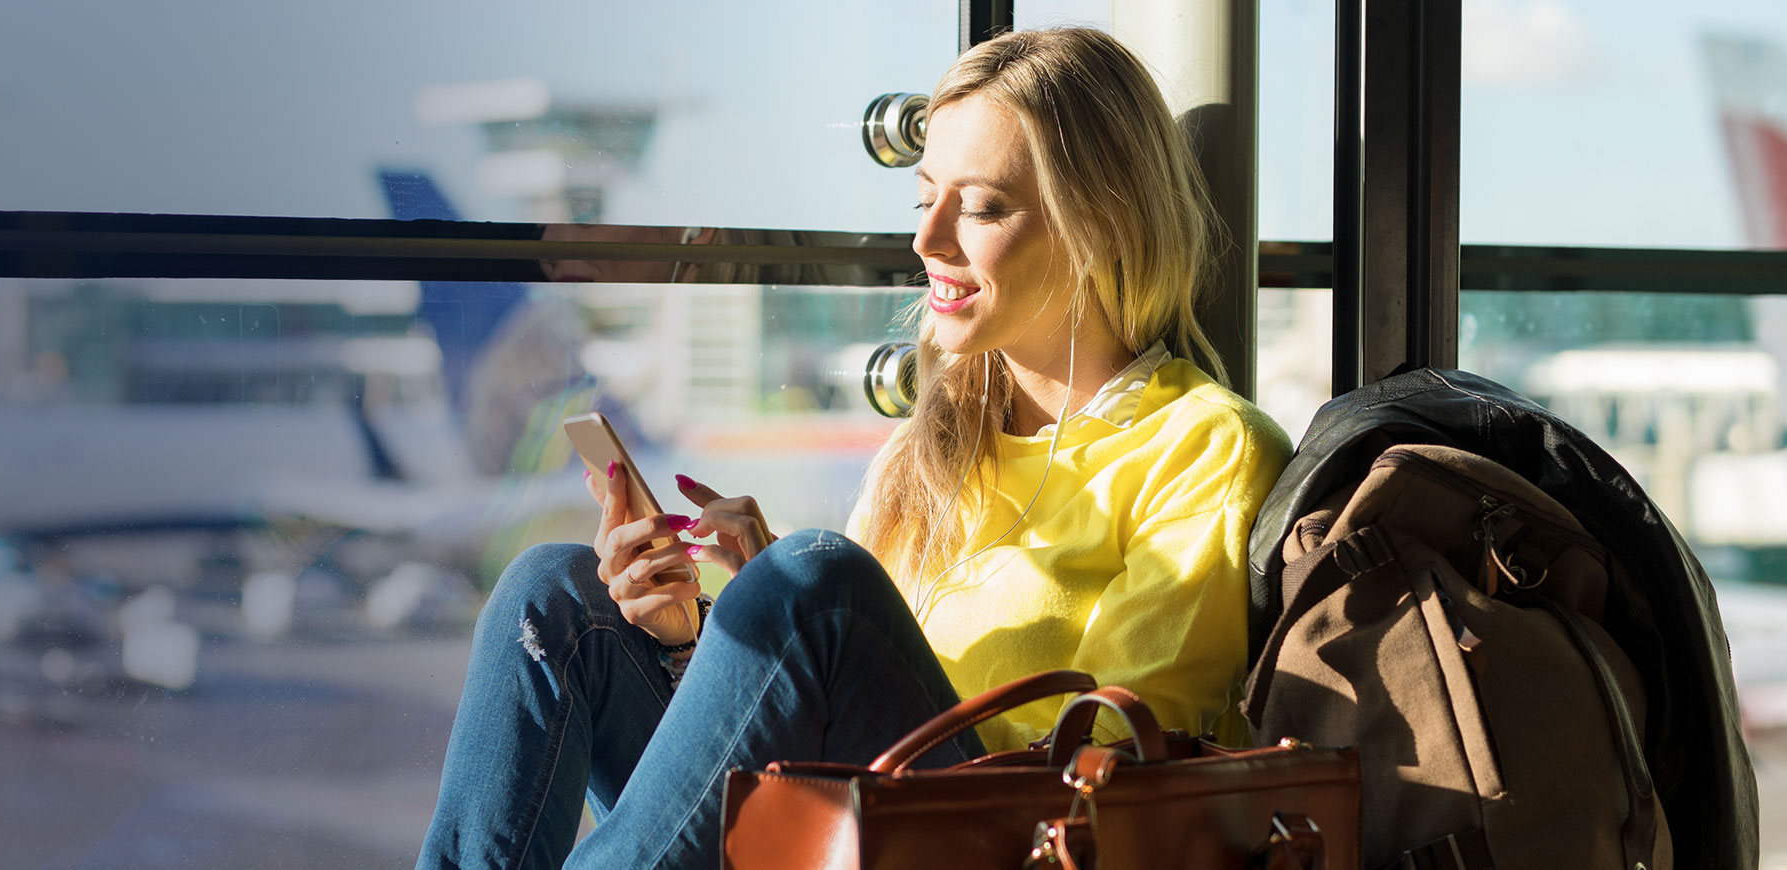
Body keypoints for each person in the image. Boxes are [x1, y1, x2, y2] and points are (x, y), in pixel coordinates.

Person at [415, 27, 1292, 870]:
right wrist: (717, 644)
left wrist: (810, 620)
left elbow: (1124, 762)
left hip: (1014, 837)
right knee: (556, 597)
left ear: (1097, 225)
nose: (927, 239)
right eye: (924, 199)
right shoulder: (929, 455)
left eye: (979, 206)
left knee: (819, 586)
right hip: (856, 823)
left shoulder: (1205, 444)